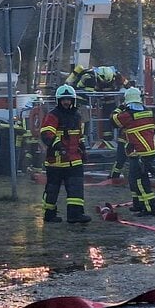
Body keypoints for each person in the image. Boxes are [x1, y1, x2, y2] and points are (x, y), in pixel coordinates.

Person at [38, 85, 91, 224]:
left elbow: (79, 136)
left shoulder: (77, 115)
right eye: (63, 100)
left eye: (68, 99)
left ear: (72, 100)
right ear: (58, 100)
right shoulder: (53, 115)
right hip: (56, 160)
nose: (66, 102)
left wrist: (83, 149)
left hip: (74, 159)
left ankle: (75, 215)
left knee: (76, 188)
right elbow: (46, 134)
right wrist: (58, 146)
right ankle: (49, 214)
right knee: (52, 190)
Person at [111, 87, 155, 216]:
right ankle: (138, 204)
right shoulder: (149, 112)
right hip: (146, 151)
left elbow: (112, 120)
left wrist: (120, 107)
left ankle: (150, 208)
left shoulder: (127, 115)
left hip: (139, 152)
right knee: (133, 179)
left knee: (140, 181)